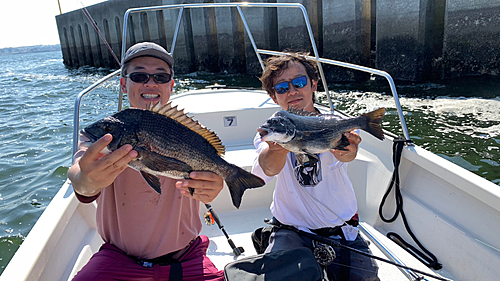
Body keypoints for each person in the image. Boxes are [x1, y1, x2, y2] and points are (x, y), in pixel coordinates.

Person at [68, 42, 225, 281]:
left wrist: (213, 187)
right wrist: (86, 181)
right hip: (118, 258)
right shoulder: (102, 136)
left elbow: (211, 176)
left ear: (171, 86)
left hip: (187, 256)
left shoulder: (188, 133)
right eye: (139, 75)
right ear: (124, 84)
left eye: (160, 77)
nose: (150, 83)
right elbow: (80, 178)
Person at [252, 53, 380, 281]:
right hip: (290, 228)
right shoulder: (270, 130)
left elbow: (347, 156)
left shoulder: (335, 122)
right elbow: (267, 171)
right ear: (274, 97)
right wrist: (276, 147)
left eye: (299, 83)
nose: (292, 91)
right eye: (281, 88)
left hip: (341, 229)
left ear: (313, 84)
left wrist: (348, 150)